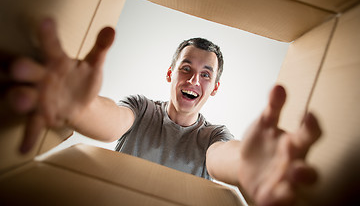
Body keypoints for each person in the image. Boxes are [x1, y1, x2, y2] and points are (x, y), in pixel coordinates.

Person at [6, 18, 321, 206]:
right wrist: (79, 109)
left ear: (215, 88)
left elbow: (224, 157)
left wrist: (245, 168)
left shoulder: (214, 136)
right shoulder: (142, 109)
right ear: (170, 74)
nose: (194, 80)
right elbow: (112, 122)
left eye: (206, 74)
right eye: (186, 68)